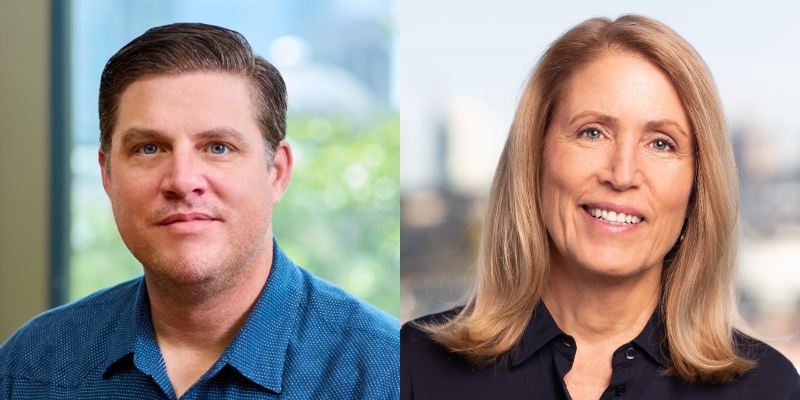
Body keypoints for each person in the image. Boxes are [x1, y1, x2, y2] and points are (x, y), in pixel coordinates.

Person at [401, 14, 800, 400]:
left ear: (699, 184)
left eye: (661, 143)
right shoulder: (411, 367)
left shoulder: (770, 390)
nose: (622, 173)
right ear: (534, 159)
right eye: (592, 132)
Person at [0, 23, 399, 399]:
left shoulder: (391, 373)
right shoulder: (30, 366)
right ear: (107, 176)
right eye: (149, 148)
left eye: (218, 147)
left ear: (276, 173)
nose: (182, 180)